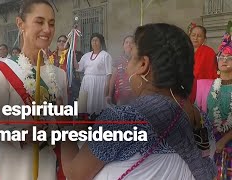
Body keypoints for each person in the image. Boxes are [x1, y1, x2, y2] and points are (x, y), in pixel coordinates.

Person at [61, 23, 217, 180]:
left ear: (143, 65)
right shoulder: (201, 118)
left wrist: (65, 130)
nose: (127, 67)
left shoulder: (122, 119)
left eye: (132, 58)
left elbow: (74, 174)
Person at [0, 0, 67, 179]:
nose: (47, 29)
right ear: (20, 24)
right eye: (39, 22)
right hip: (14, 168)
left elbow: (64, 126)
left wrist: (65, 123)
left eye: (51, 24)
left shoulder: (59, 76)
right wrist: (23, 134)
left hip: (48, 166)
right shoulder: (1, 70)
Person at [207, 28, 232, 179]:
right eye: (221, 56)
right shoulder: (214, 85)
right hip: (214, 144)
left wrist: (224, 139)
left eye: (229, 57)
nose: (224, 60)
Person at [74, 33, 112, 115]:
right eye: (92, 40)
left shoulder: (105, 55)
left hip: (100, 83)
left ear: (101, 42)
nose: (94, 42)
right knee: (85, 105)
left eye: (96, 40)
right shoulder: (86, 56)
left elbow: (109, 73)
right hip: (87, 83)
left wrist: (107, 87)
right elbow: (78, 67)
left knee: (97, 106)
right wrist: (72, 55)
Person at [188, 24, 217, 111]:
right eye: (193, 35)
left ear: (204, 39)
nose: (195, 38)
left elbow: (211, 73)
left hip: (202, 89)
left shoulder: (209, 52)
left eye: (199, 36)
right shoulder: (184, 51)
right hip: (185, 87)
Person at [107, 35, 134, 105]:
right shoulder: (118, 60)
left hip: (135, 96)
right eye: (126, 42)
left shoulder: (138, 61)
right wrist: (109, 95)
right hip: (120, 96)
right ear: (123, 45)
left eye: (131, 42)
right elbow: (113, 78)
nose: (129, 44)